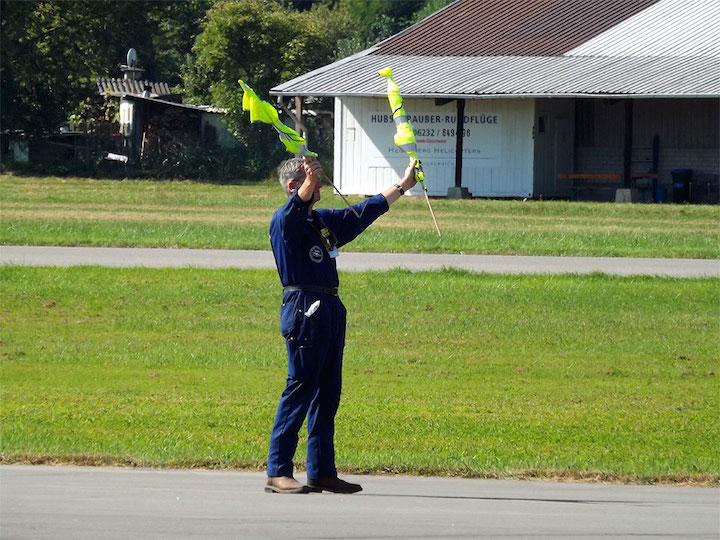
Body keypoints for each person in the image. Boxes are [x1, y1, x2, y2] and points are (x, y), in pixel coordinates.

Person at [265, 156, 418, 494]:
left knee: (327, 393)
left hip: (330, 307)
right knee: (300, 388)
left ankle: (321, 471)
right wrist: (308, 182)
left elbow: (363, 212)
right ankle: (278, 471)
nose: (319, 188)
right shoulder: (284, 221)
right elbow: (294, 209)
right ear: (295, 187)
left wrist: (404, 185)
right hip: (304, 307)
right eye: (313, 183)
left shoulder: (320, 222)